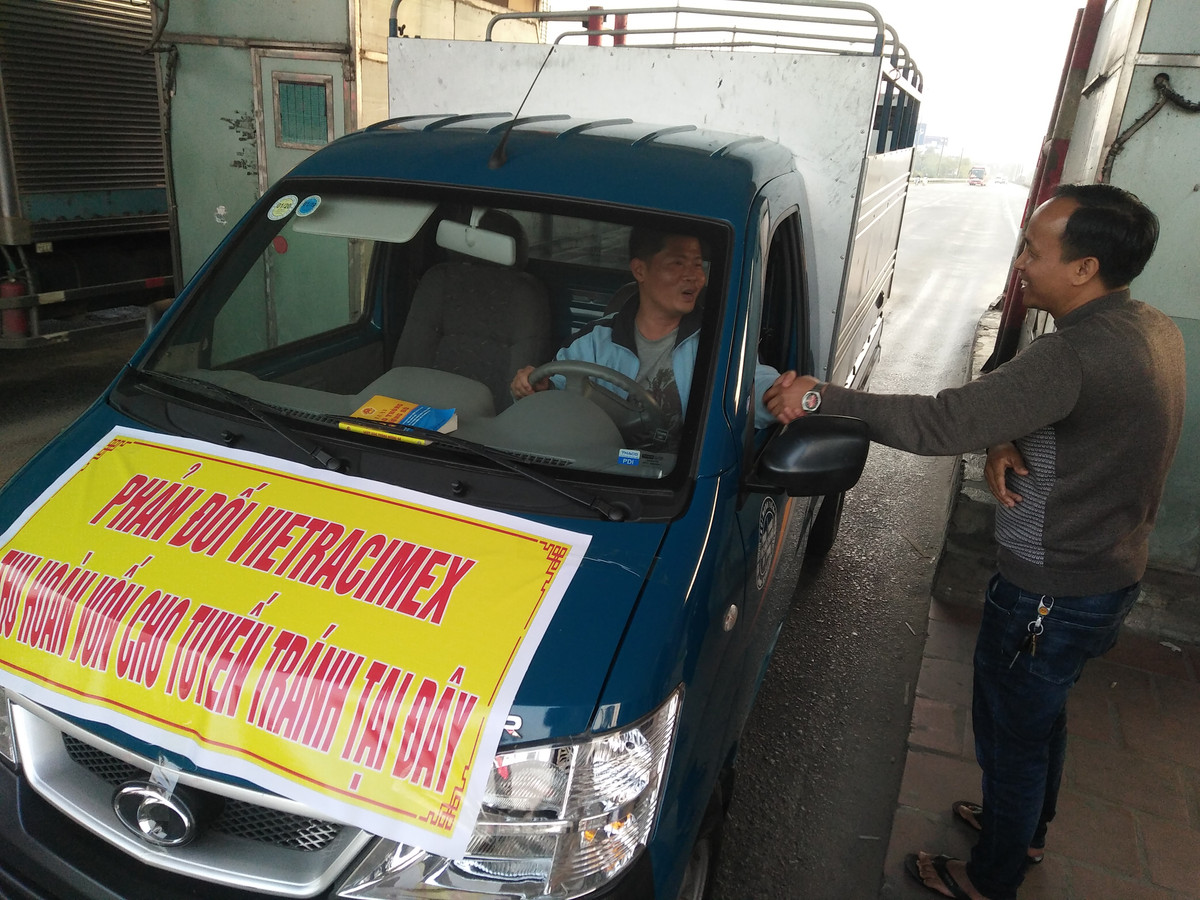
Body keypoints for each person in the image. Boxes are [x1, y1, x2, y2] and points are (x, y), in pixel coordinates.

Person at [764, 183, 1186, 900]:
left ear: (1084, 268)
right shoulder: (1148, 326)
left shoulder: (1075, 353)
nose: (1020, 262)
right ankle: (1022, 828)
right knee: (1040, 721)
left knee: (1011, 732)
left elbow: (941, 423)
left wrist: (818, 399)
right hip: (1105, 575)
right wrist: (1004, 436)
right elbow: (1024, 405)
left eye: (1035, 250)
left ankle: (990, 877)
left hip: (1051, 591)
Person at [511, 228, 779, 449]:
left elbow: (751, 385)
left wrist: (777, 395)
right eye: (677, 263)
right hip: (594, 471)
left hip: (681, 486)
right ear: (640, 270)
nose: (694, 276)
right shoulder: (593, 340)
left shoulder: (721, 341)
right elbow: (554, 398)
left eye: (698, 264)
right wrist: (535, 389)